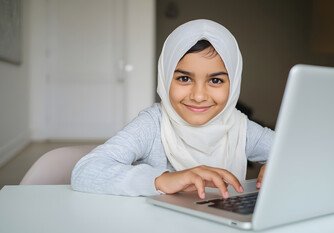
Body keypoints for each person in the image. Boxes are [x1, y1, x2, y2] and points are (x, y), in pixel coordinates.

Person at [71, 19, 274, 199]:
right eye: (184, 78)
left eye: (215, 80)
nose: (198, 96)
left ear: (234, 83)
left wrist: (280, 166)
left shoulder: (239, 127)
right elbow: (85, 171)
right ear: (165, 77)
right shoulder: (153, 124)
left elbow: (299, 151)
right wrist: (163, 180)